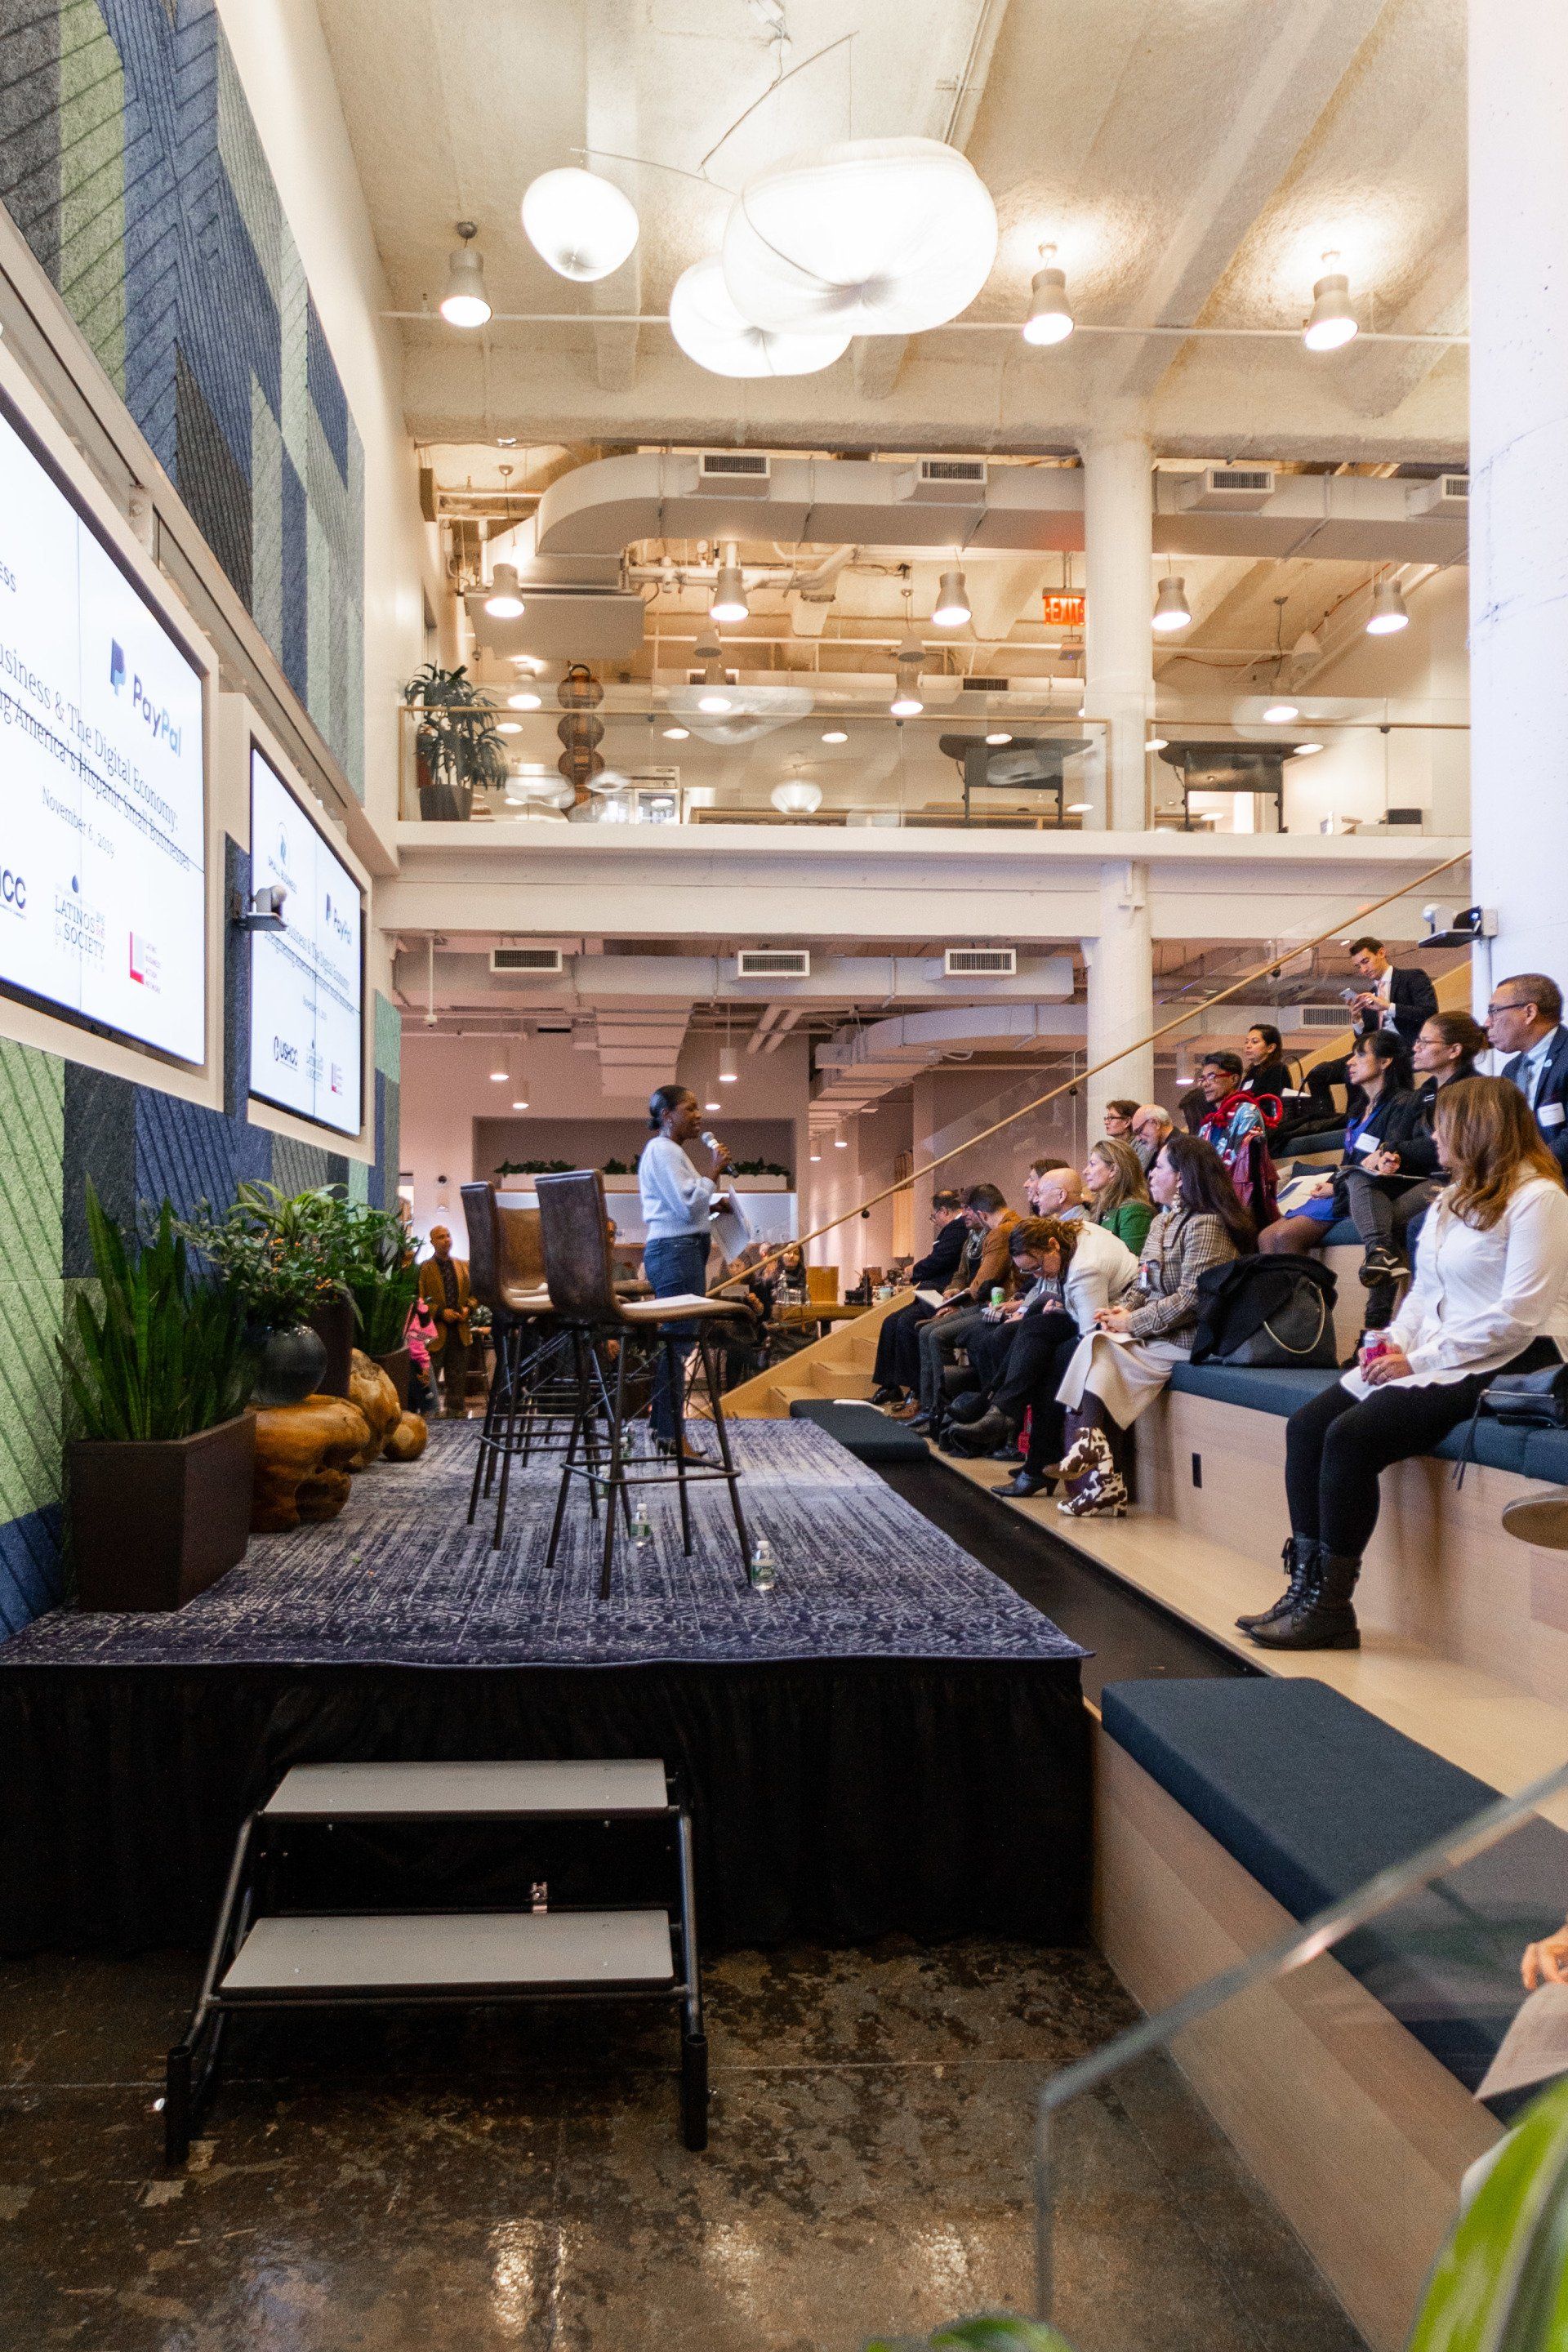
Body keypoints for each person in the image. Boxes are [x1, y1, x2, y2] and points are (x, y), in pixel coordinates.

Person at [1244, 1077, 1568, 1653]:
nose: (1432, 1138)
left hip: (1511, 1356)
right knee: (1307, 1425)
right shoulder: (1452, 1197)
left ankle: (1331, 1609)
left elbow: (1519, 1315)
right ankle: (1305, 1586)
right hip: (1438, 1350)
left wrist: (1415, 1359)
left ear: (1476, 1130)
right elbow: (1423, 1293)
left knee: (1350, 1437)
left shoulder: (1540, 1198)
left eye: (1442, 1126)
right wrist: (1389, 1340)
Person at [1054, 1134, 1254, 1518]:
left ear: (1182, 1177)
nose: (1151, 1174)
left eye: (1159, 1166)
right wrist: (1117, 1313)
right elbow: (1143, 1283)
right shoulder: (1163, 1221)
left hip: (1191, 1337)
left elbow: (1194, 1298)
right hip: (1160, 1331)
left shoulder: (1207, 1224)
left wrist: (1134, 1321)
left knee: (1096, 1354)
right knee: (1097, 1341)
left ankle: (1094, 1470)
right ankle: (1096, 1470)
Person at [947, 1212, 1141, 1472]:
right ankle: (999, 1410)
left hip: (1119, 1324)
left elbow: (1091, 1334)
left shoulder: (1085, 1268)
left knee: (1048, 1361)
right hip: (1101, 1310)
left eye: (1037, 1266)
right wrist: (1064, 1304)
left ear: (1051, 1244)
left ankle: (1013, 1430)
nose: (1037, 1276)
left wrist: (1066, 1305)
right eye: (1029, 1271)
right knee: (1032, 1327)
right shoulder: (1072, 1235)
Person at [1343, 1009, 1489, 1325]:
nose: (1415, 1048)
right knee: (1357, 1176)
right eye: (1417, 1042)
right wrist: (1388, 1156)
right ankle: (1380, 1258)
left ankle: (1375, 1327)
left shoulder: (1475, 1089)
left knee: (1389, 1226)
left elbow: (1454, 1148)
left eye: (1425, 1042)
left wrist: (1395, 1150)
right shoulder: (1424, 1093)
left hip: (1455, 1179)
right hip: (1418, 1176)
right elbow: (1399, 1140)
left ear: (1454, 1051)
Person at [1258, 1032, 1422, 1283]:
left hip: (1367, 1191)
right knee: (1265, 1237)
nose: (1349, 1062)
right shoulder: (1358, 1109)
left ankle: (1309, 1309)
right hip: (1343, 1185)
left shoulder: (1403, 1103)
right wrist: (1333, 1182)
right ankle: (1280, 1312)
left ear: (1385, 1062)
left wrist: (1337, 1186)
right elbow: (1349, 1158)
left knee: (1285, 1236)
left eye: (1361, 1054)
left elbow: (1388, 1157)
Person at [638, 1083, 732, 1459]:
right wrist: (713, 1172)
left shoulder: (671, 1153)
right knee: (678, 1345)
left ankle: (663, 1429)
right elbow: (682, 1207)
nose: (698, 1116)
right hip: (676, 1252)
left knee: (676, 1344)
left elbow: (689, 1208)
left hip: (679, 1249)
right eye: (690, 1109)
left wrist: (713, 1207)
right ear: (667, 1115)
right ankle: (673, 1436)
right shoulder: (663, 1151)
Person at [897, 1183, 1018, 1432]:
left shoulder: (1001, 1231)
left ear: (980, 1213)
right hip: (981, 1302)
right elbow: (963, 1276)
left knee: (933, 1333)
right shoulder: (976, 1235)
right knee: (923, 1330)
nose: (963, 1216)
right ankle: (931, 1409)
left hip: (995, 1305)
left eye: (966, 1210)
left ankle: (941, 1411)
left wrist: (957, 1302)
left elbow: (983, 1283)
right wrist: (953, 1292)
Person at [1307, 935, 1438, 1117]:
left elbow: (1429, 1013)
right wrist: (1357, 1019)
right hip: (1374, 1048)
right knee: (1318, 1073)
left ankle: (1354, 1120)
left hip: (1404, 1047)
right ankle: (1325, 1121)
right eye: (1358, 966)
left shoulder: (1412, 977)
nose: (1363, 969)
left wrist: (1387, 1006)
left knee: (1354, 1073)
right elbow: (1365, 1037)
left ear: (1381, 953)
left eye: (1365, 961)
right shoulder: (1371, 994)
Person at [871, 1189, 968, 1405]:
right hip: (931, 1291)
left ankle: (917, 1390)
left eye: (934, 1217)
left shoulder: (958, 1227)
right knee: (890, 1322)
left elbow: (940, 1260)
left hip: (942, 1293)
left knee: (907, 1324)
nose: (935, 1222)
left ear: (943, 1211)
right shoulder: (955, 1229)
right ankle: (889, 1385)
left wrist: (914, 1271)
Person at [1490, 972, 1568, 1174]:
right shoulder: (1512, 1069)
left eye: (1494, 1011)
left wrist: (1528, 1171)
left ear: (1529, 1013)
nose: (1487, 1022)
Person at [1196, 1050, 1278, 1223]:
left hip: (1237, 1199)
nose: (1205, 1084)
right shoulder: (1208, 1123)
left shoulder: (1247, 1111)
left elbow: (1240, 1164)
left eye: (1212, 1077)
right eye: (1203, 1078)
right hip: (1213, 1198)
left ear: (1234, 1079)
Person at [418, 1223, 474, 1419]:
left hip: (460, 1327)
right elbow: (420, 1299)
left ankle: (456, 1408)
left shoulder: (462, 1266)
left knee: (458, 1371)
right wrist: (441, 1313)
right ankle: (430, 1409)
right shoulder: (425, 1268)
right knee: (432, 1370)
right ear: (433, 1242)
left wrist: (469, 1308)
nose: (446, 1239)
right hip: (437, 1329)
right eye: (441, 1237)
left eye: (448, 1235)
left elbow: (474, 1295)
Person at [1083, 1138, 1156, 1254]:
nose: (1085, 1171)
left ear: (1113, 1170)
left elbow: (1132, 1263)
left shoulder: (1135, 1211)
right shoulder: (1102, 1208)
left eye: (1092, 1164)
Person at [1241, 1023, 1294, 1109]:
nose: (1248, 1046)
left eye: (1255, 1042)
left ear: (1271, 1048)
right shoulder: (1250, 1072)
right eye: (1246, 1042)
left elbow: (1273, 1102)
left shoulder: (1277, 1068)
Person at [1130, 1104, 1174, 1170]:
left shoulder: (1180, 1149)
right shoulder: (1159, 1147)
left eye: (1139, 1131)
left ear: (1155, 1123)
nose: (1138, 1139)